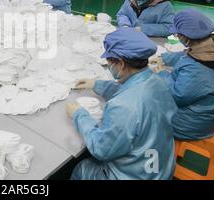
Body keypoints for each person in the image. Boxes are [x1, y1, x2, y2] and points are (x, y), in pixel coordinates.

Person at [67, 28, 177, 180]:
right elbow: (133, 90)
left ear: (121, 63)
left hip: (135, 175)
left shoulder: (123, 106)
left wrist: (79, 115)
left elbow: (101, 149)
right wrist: (96, 84)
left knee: (82, 167)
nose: (109, 65)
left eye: (110, 61)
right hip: (160, 168)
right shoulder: (158, 81)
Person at [155, 9, 214, 140]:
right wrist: (163, 58)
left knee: (146, 107)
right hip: (207, 114)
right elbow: (187, 54)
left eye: (178, 35)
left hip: (188, 125)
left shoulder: (199, 69)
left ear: (185, 37)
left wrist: (160, 74)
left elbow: (178, 96)